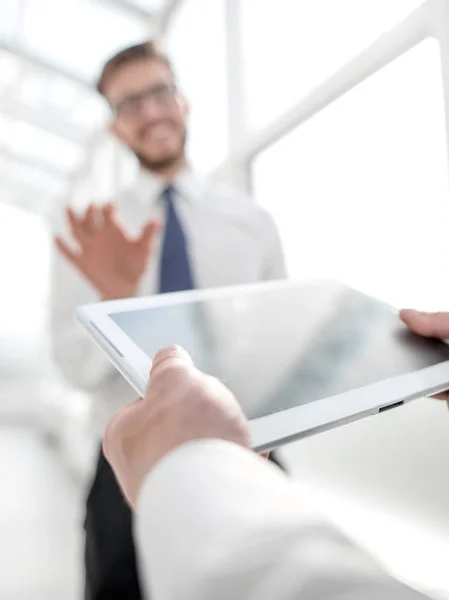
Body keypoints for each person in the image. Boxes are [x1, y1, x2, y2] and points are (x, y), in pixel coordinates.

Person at [50, 42, 286, 600]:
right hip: (128, 459)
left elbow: (278, 343)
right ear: (114, 127)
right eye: (129, 103)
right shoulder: (90, 230)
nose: (150, 112)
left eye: (158, 93)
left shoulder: (251, 223)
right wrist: (117, 301)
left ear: (182, 101)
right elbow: (71, 366)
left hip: (250, 448)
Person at [104, 314, 449, 600]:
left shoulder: (256, 227)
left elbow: (272, 580)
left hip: (230, 448)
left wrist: (194, 462)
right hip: (139, 460)